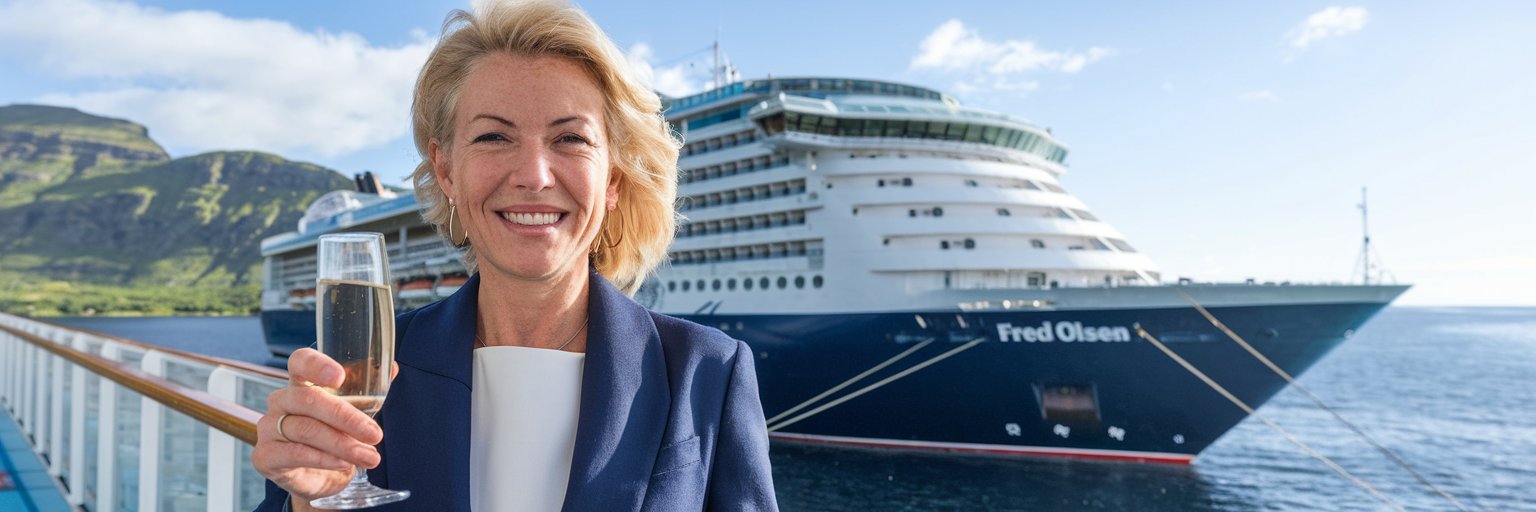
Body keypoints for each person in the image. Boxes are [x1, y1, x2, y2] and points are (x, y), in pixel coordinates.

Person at [250, 1, 778, 510]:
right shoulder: (357, 370)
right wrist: (312, 504)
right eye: (493, 136)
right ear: (447, 170)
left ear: (612, 178)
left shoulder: (706, 371)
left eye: (570, 137)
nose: (534, 175)